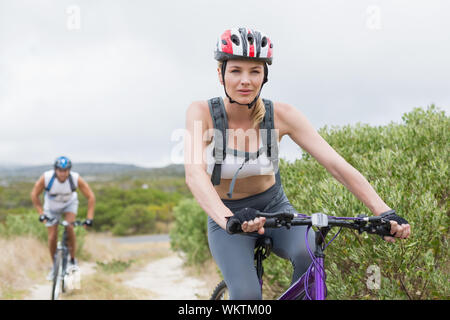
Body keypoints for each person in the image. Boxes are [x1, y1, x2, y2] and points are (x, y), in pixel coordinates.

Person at [184, 28, 411, 300]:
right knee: (246, 296)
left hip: (274, 208)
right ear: (220, 74)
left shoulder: (283, 115)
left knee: (310, 255)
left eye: (255, 71)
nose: (245, 81)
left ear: (264, 76)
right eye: (235, 71)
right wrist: (228, 219)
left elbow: (336, 164)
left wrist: (384, 211)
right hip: (227, 214)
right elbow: (195, 174)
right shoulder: (203, 113)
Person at [30, 156, 95, 280]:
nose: (63, 173)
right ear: (55, 170)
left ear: (69, 170)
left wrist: (89, 218)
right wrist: (41, 213)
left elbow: (91, 197)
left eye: (66, 170)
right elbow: (34, 194)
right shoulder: (47, 178)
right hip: (51, 207)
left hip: (69, 204)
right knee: (52, 236)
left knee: (69, 227)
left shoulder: (75, 178)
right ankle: (54, 266)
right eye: (60, 170)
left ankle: (72, 259)